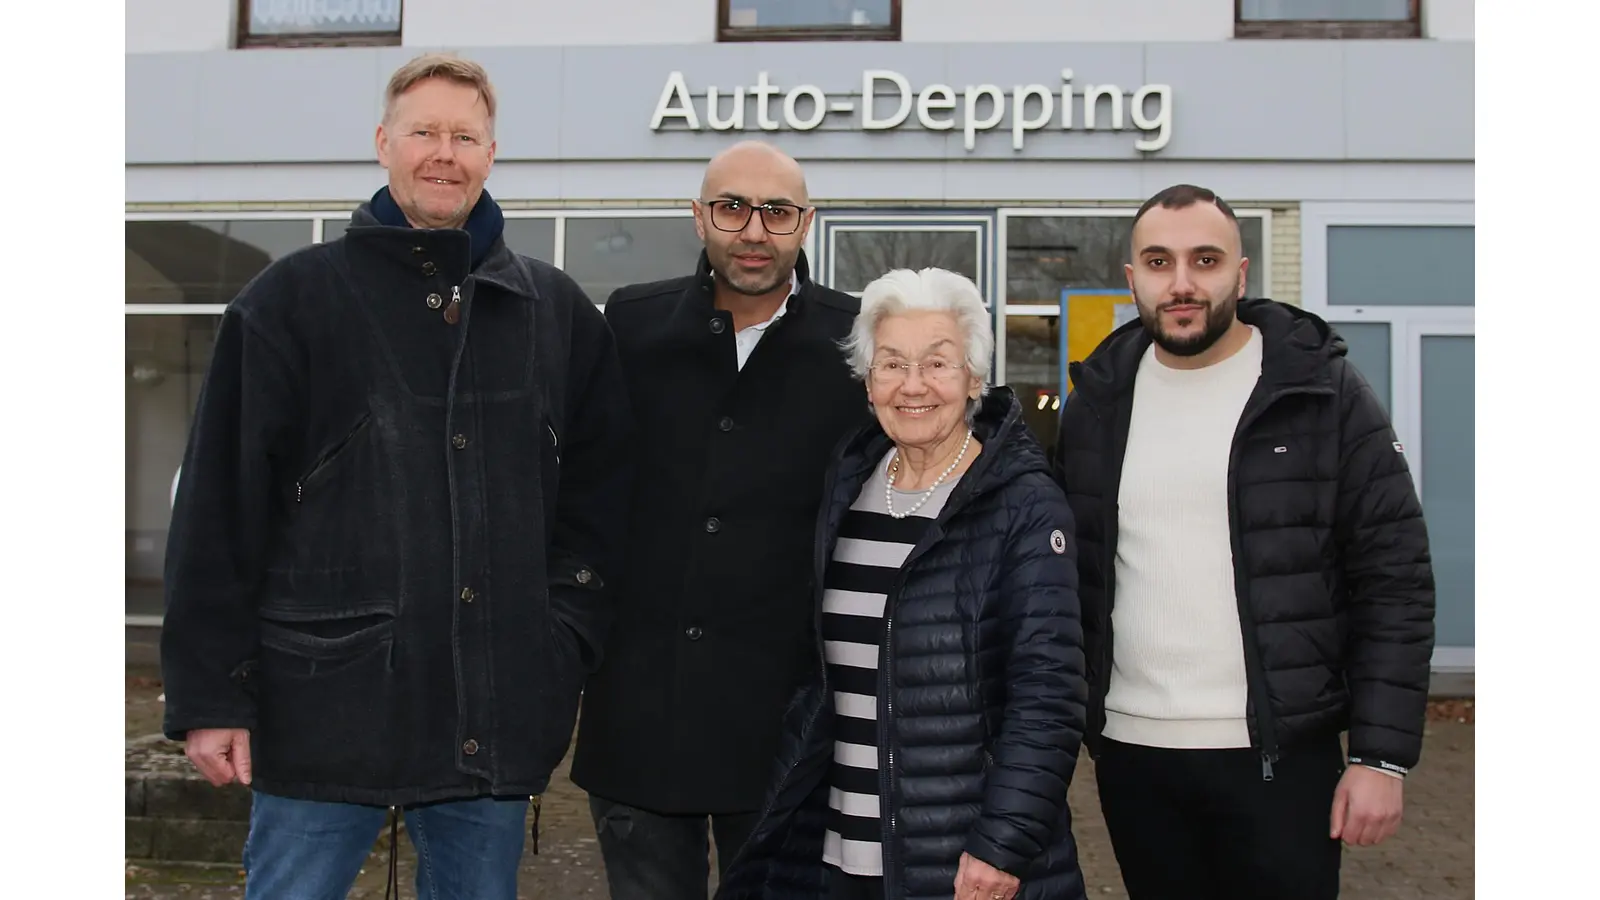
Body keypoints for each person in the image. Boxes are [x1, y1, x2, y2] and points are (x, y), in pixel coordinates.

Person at [159, 53, 632, 900]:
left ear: (492, 154)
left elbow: (599, 506)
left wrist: (560, 641)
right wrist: (209, 695)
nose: (443, 153)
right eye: (424, 132)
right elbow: (218, 512)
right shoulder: (289, 302)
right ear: (384, 143)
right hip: (320, 714)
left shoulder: (554, 314)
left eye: (464, 135)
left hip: (489, 721)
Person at [1053, 184, 1436, 900]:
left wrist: (1381, 757)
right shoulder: (1098, 404)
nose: (1184, 283)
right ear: (1132, 279)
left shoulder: (1320, 391)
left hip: (1281, 759)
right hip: (1136, 756)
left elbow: (1394, 576)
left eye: (1206, 259)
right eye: (1160, 262)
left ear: (1242, 272)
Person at [718, 268, 1089, 900]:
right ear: (868, 383)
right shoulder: (849, 482)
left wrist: (1001, 843)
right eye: (891, 363)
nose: (913, 385)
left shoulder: (1024, 505)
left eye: (938, 363)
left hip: (960, 865)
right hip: (843, 852)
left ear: (975, 379)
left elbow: (1047, 696)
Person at [570, 140, 870, 900]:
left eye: (778, 211)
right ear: (699, 217)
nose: (755, 230)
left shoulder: (858, 342)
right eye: (733, 208)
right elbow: (580, 485)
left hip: (788, 727)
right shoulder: (630, 325)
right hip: (639, 717)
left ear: (807, 222)